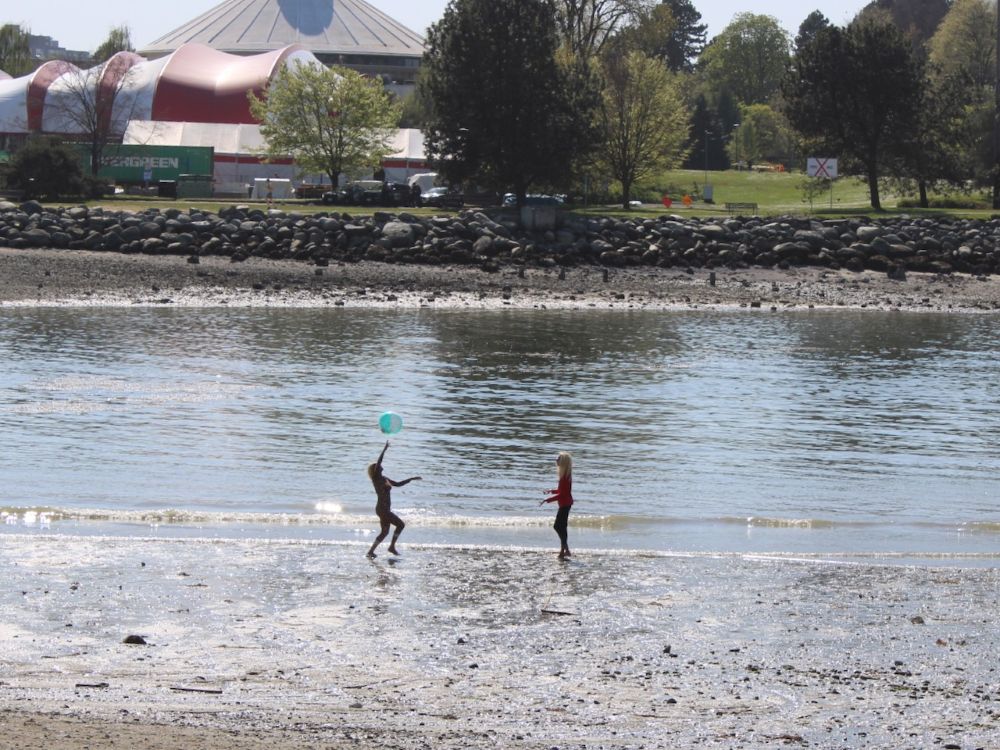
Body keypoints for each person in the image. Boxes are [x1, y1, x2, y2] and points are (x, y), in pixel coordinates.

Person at [366, 441, 421, 558]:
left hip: (383, 509)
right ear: (376, 469)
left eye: (378, 465)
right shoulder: (376, 478)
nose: (379, 466)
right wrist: (384, 450)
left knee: (385, 532)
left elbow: (398, 484)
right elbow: (379, 460)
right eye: (377, 465)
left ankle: (371, 551)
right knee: (401, 525)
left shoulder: (385, 478)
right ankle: (391, 547)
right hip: (383, 509)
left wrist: (411, 479)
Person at [540, 451, 573, 558]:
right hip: (565, 503)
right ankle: (563, 551)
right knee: (562, 527)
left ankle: (565, 548)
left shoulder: (565, 478)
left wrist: (547, 500)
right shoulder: (565, 476)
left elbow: (562, 494)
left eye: (558, 459)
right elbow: (561, 491)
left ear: (563, 462)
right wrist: (551, 491)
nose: (556, 460)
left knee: (557, 526)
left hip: (565, 504)